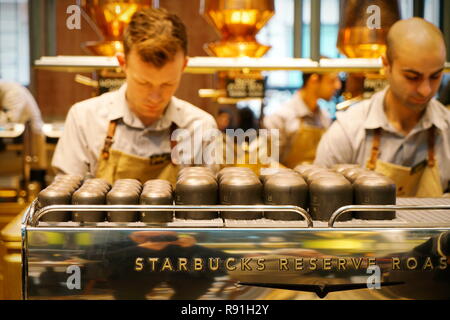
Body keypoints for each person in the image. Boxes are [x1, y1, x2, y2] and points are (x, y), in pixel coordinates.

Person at [52, 8, 217, 184]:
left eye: (167, 84)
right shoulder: (84, 120)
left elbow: (207, 208)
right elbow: (66, 203)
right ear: (123, 63)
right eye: (143, 83)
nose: (155, 97)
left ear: (184, 66)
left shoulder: (200, 127)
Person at [315, 18, 450, 197]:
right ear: (386, 65)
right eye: (412, 77)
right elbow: (319, 206)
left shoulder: (446, 129)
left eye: (435, 76)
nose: (425, 90)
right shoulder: (347, 131)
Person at [263, 72, 341, 168]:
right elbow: (266, 161)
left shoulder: (325, 117)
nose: (338, 85)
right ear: (314, 80)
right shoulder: (279, 118)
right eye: (332, 81)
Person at [0, 80, 47, 183]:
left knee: (35, 173)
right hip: (25, 131)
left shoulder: (13, 92)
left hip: (31, 133)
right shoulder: (6, 89)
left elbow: (11, 118)